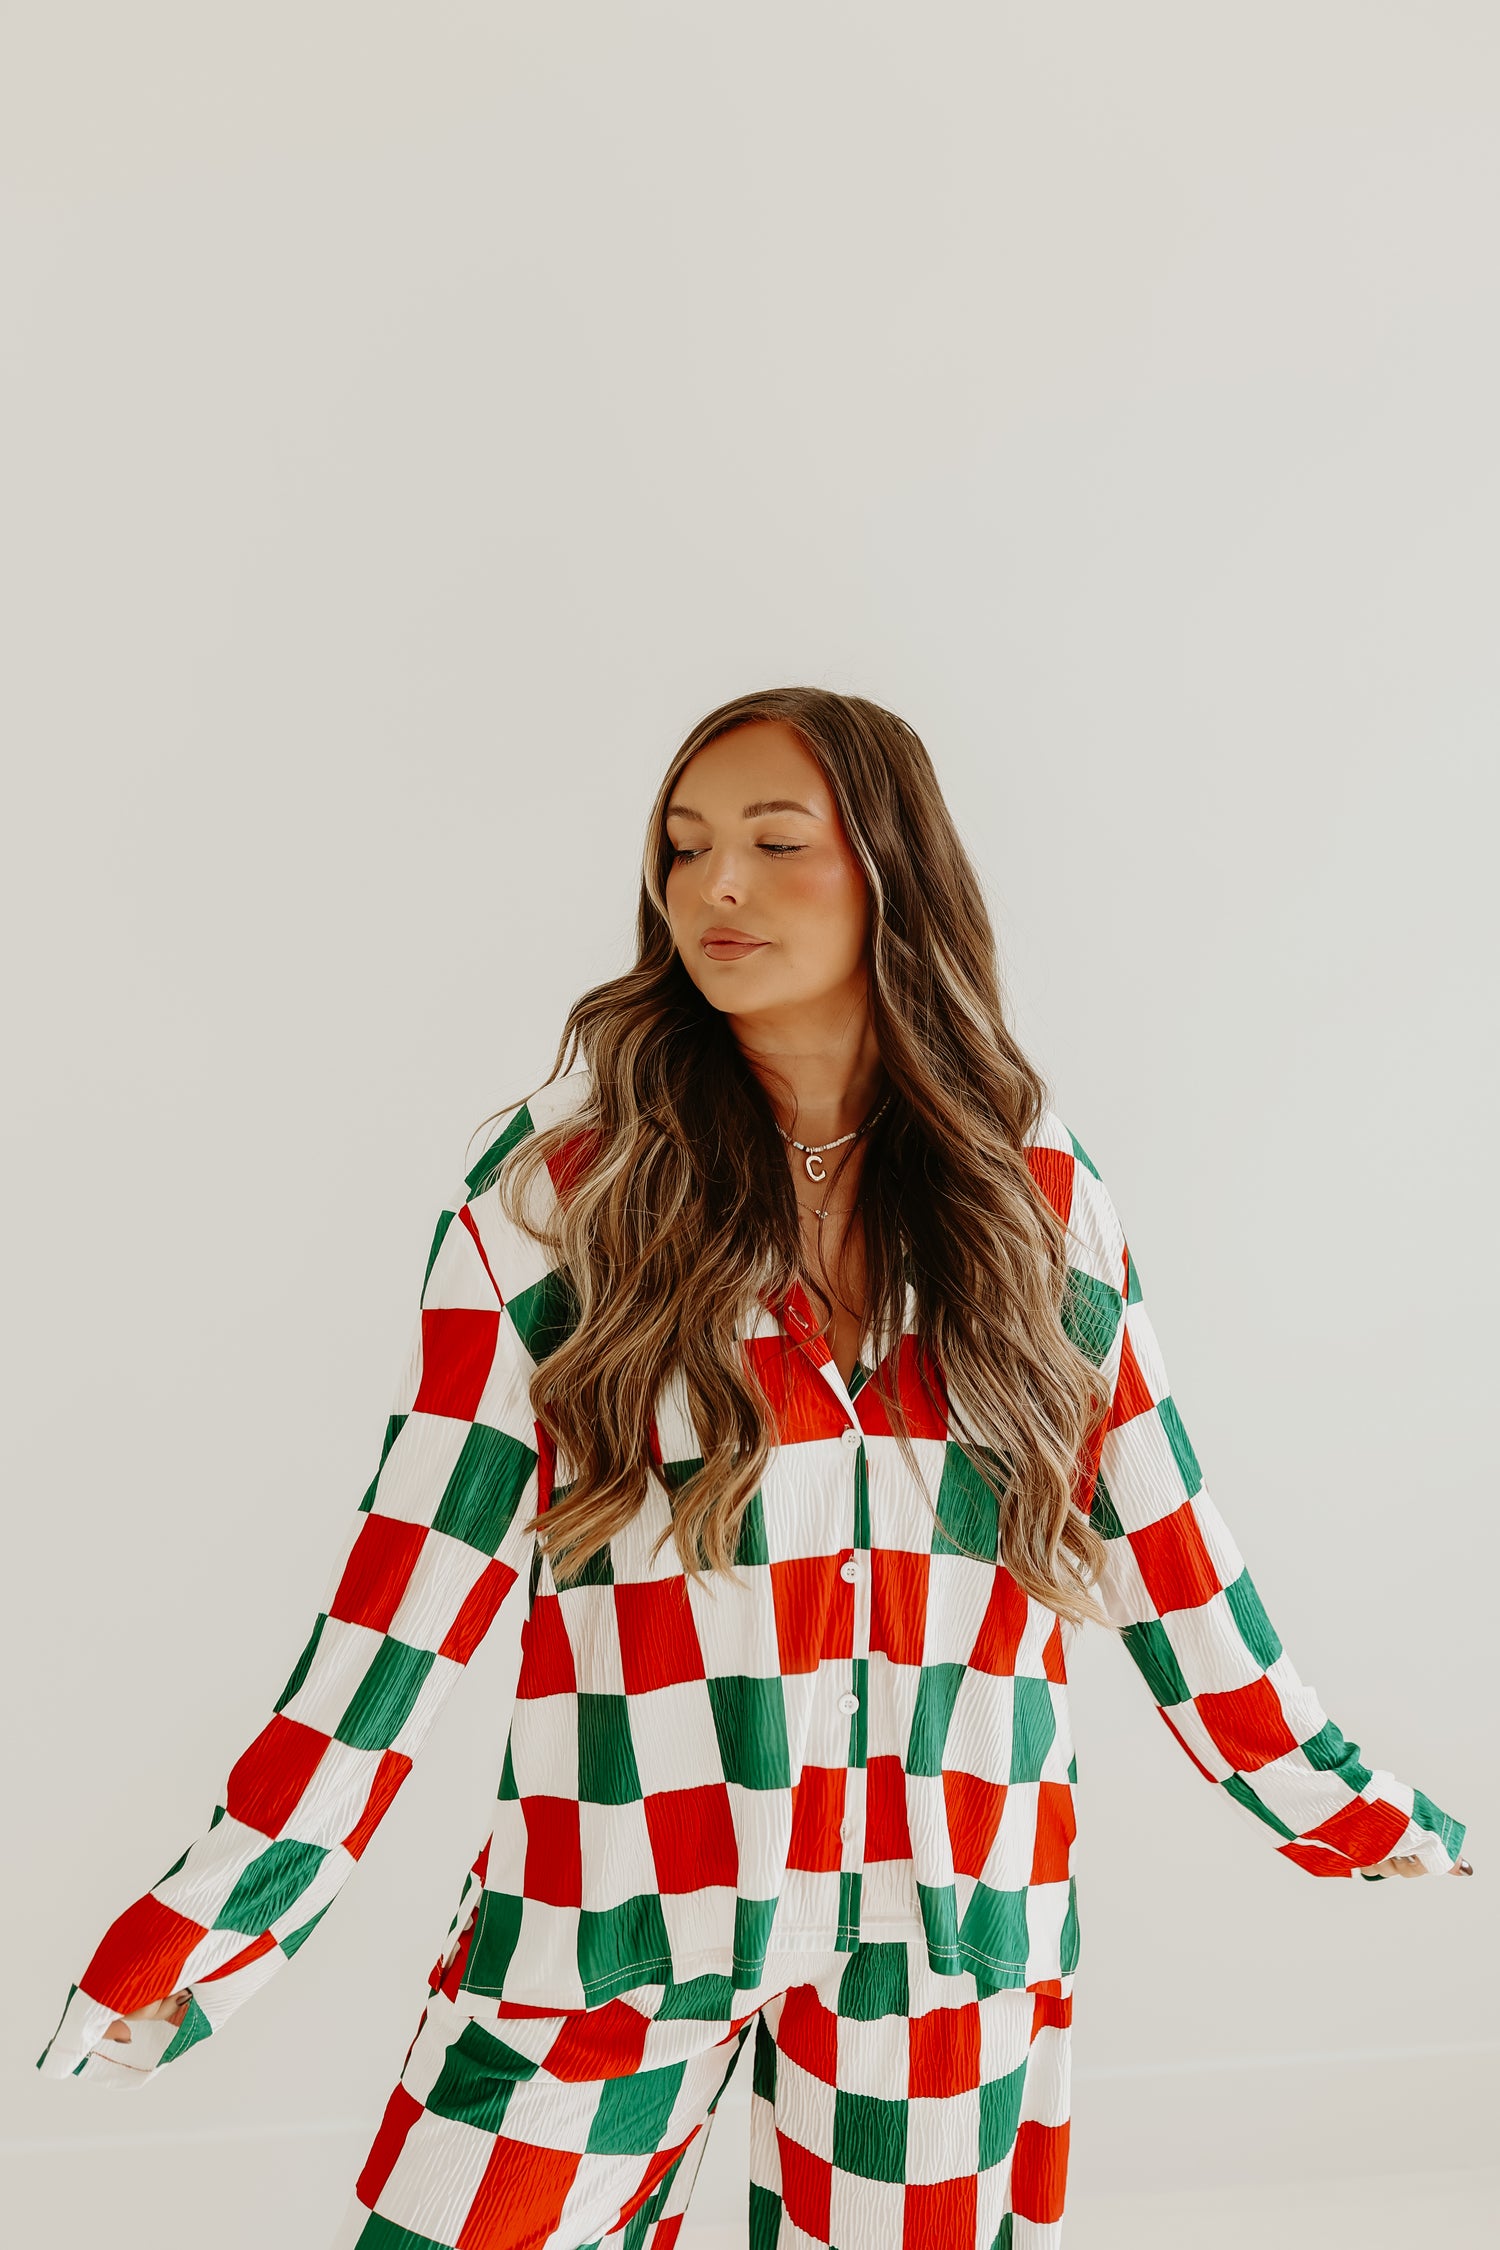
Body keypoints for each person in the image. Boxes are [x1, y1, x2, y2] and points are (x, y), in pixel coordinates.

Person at [38, 688, 1471, 2248]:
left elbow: (1165, 1539)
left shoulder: (1033, 1193)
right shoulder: (559, 1198)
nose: (715, 885)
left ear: (893, 871)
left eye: (778, 842)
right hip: (615, 1913)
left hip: (941, 1937)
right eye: (684, 845)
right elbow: (401, 1603)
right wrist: (219, 1914)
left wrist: (1339, 1800)